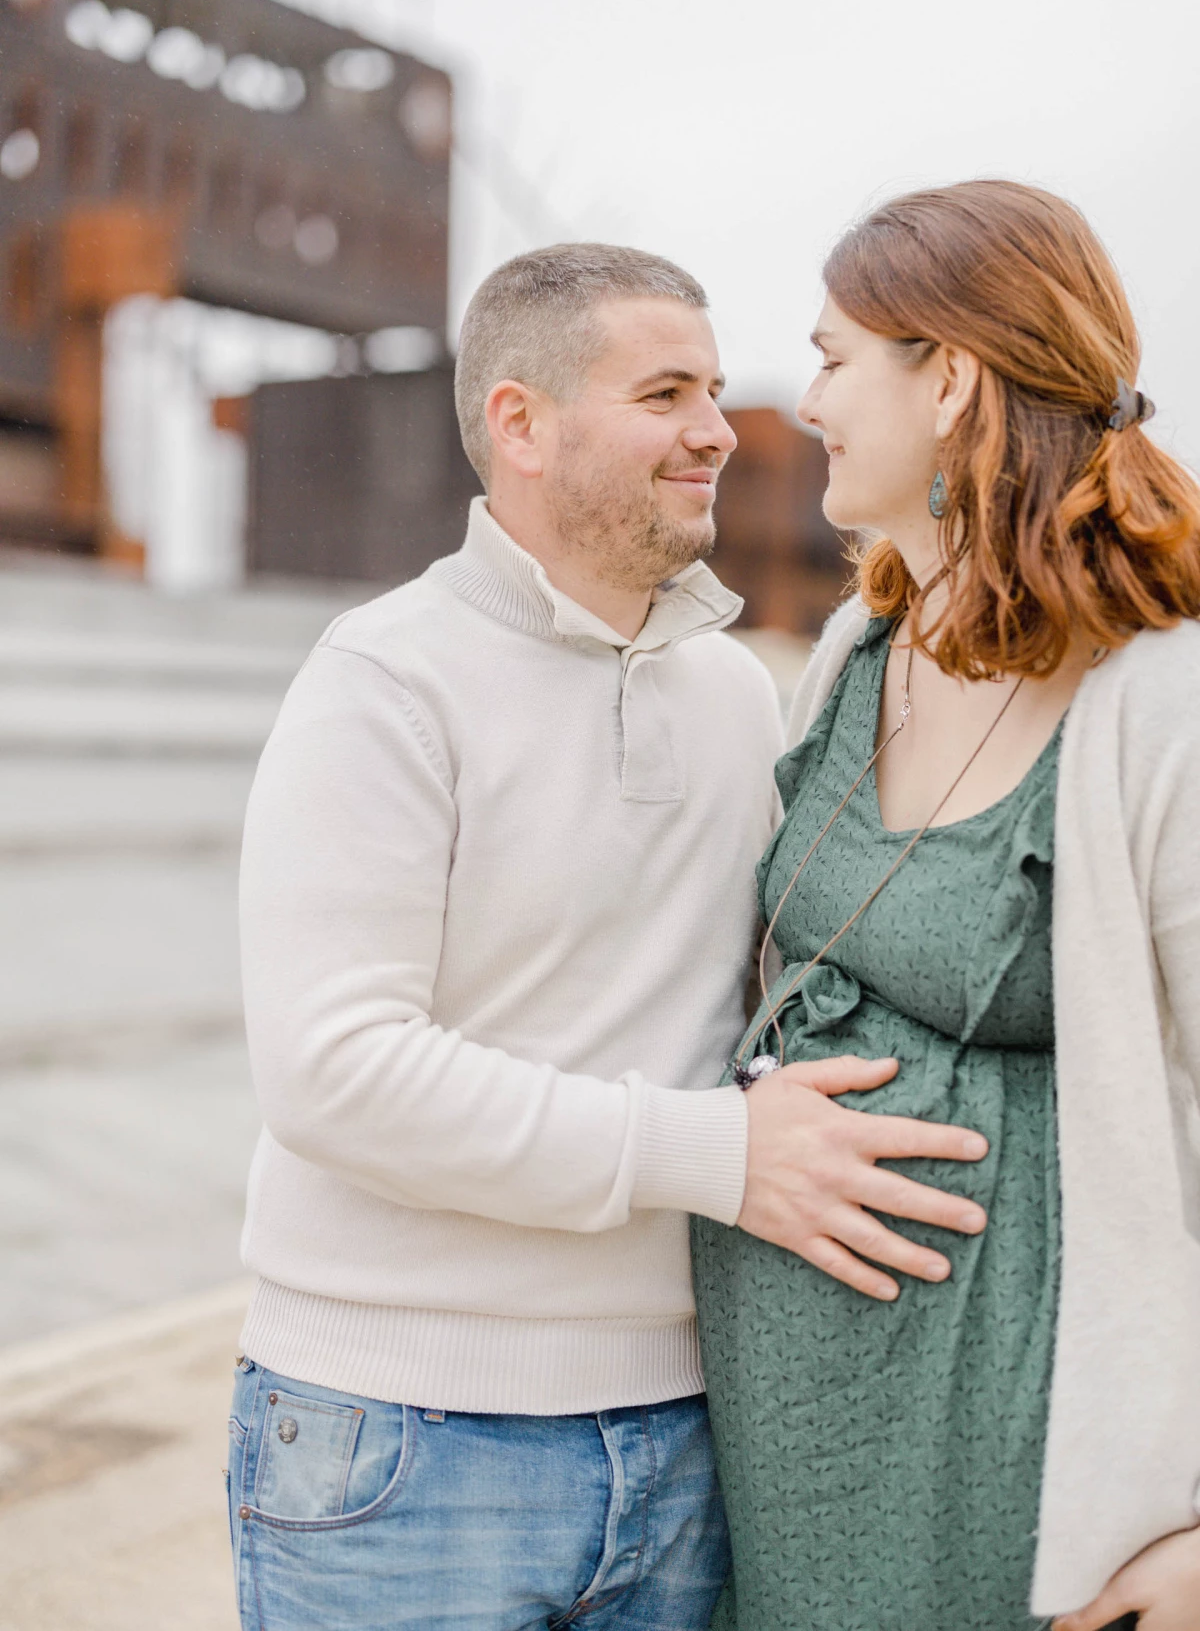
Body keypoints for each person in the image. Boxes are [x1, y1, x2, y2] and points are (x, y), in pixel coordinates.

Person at [226, 243, 986, 1630]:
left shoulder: (739, 696)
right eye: (664, 393)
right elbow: (332, 1069)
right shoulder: (382, 682)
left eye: (712, 385)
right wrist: (717, 1152)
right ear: (521, 424)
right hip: (399, 1447)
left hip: (688, 1436)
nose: (716, 427)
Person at [692, 178, 1200, 1631]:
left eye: (839, 357)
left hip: (1014, 1498)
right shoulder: (858, 643)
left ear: (958, 378)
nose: (811, 401)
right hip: (777, 1486)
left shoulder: (1161, 704)